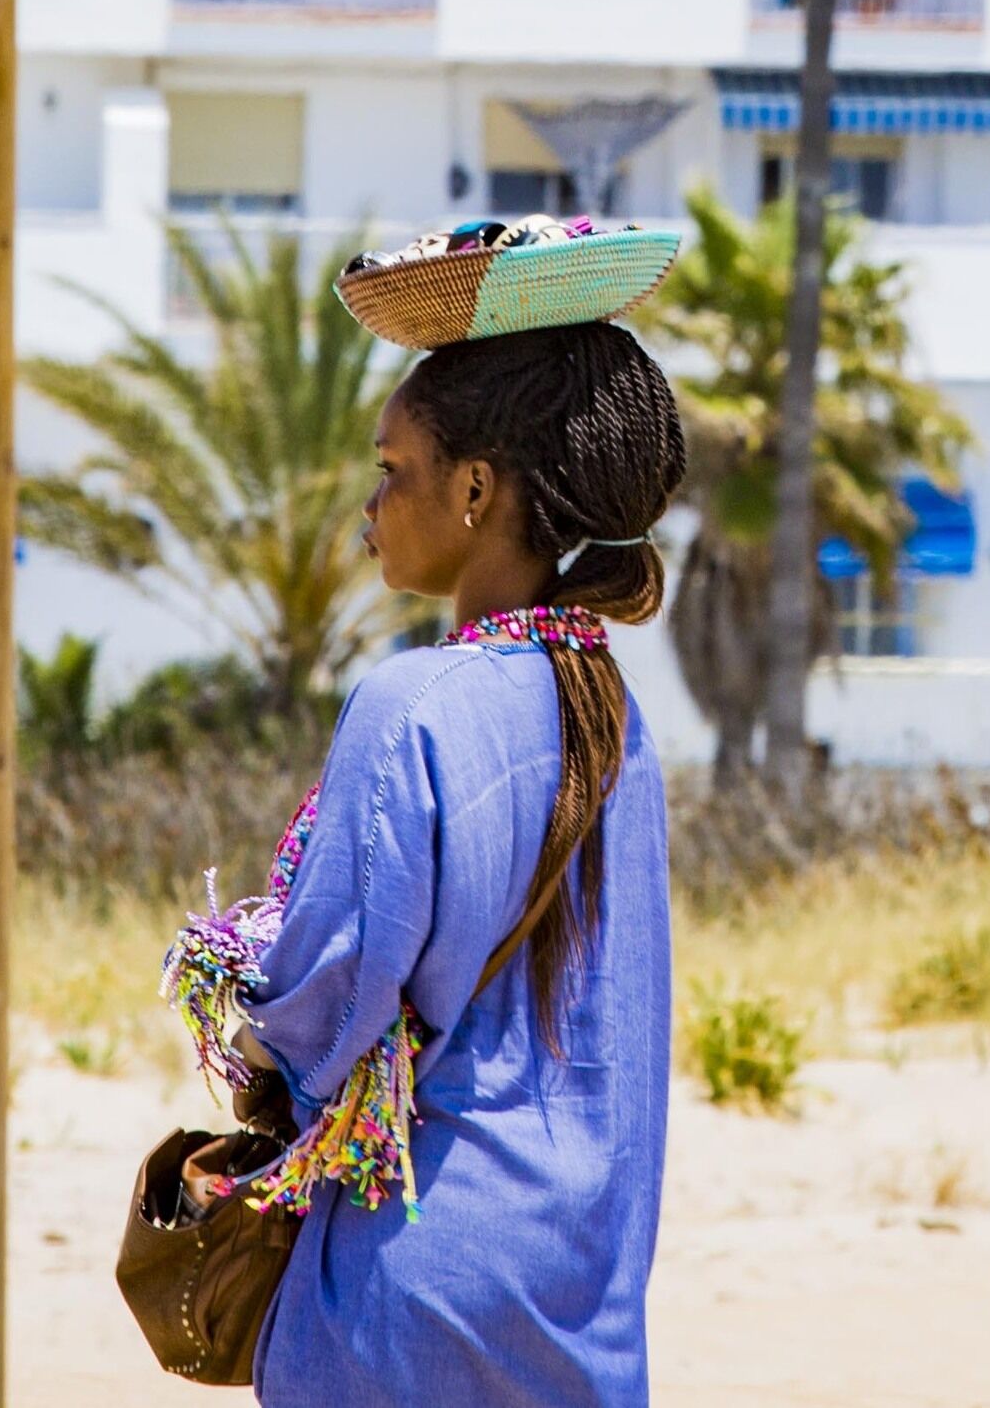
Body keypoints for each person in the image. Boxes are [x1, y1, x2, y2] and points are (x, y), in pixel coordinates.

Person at [241, 316, 691, 1406]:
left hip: (419, 1273)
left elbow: (328, 996)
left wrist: (252, 1041)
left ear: (477, 491)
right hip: (584, 1287)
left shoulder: (414, 704)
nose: (372, 506)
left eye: (395, 472)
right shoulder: (612, 715)